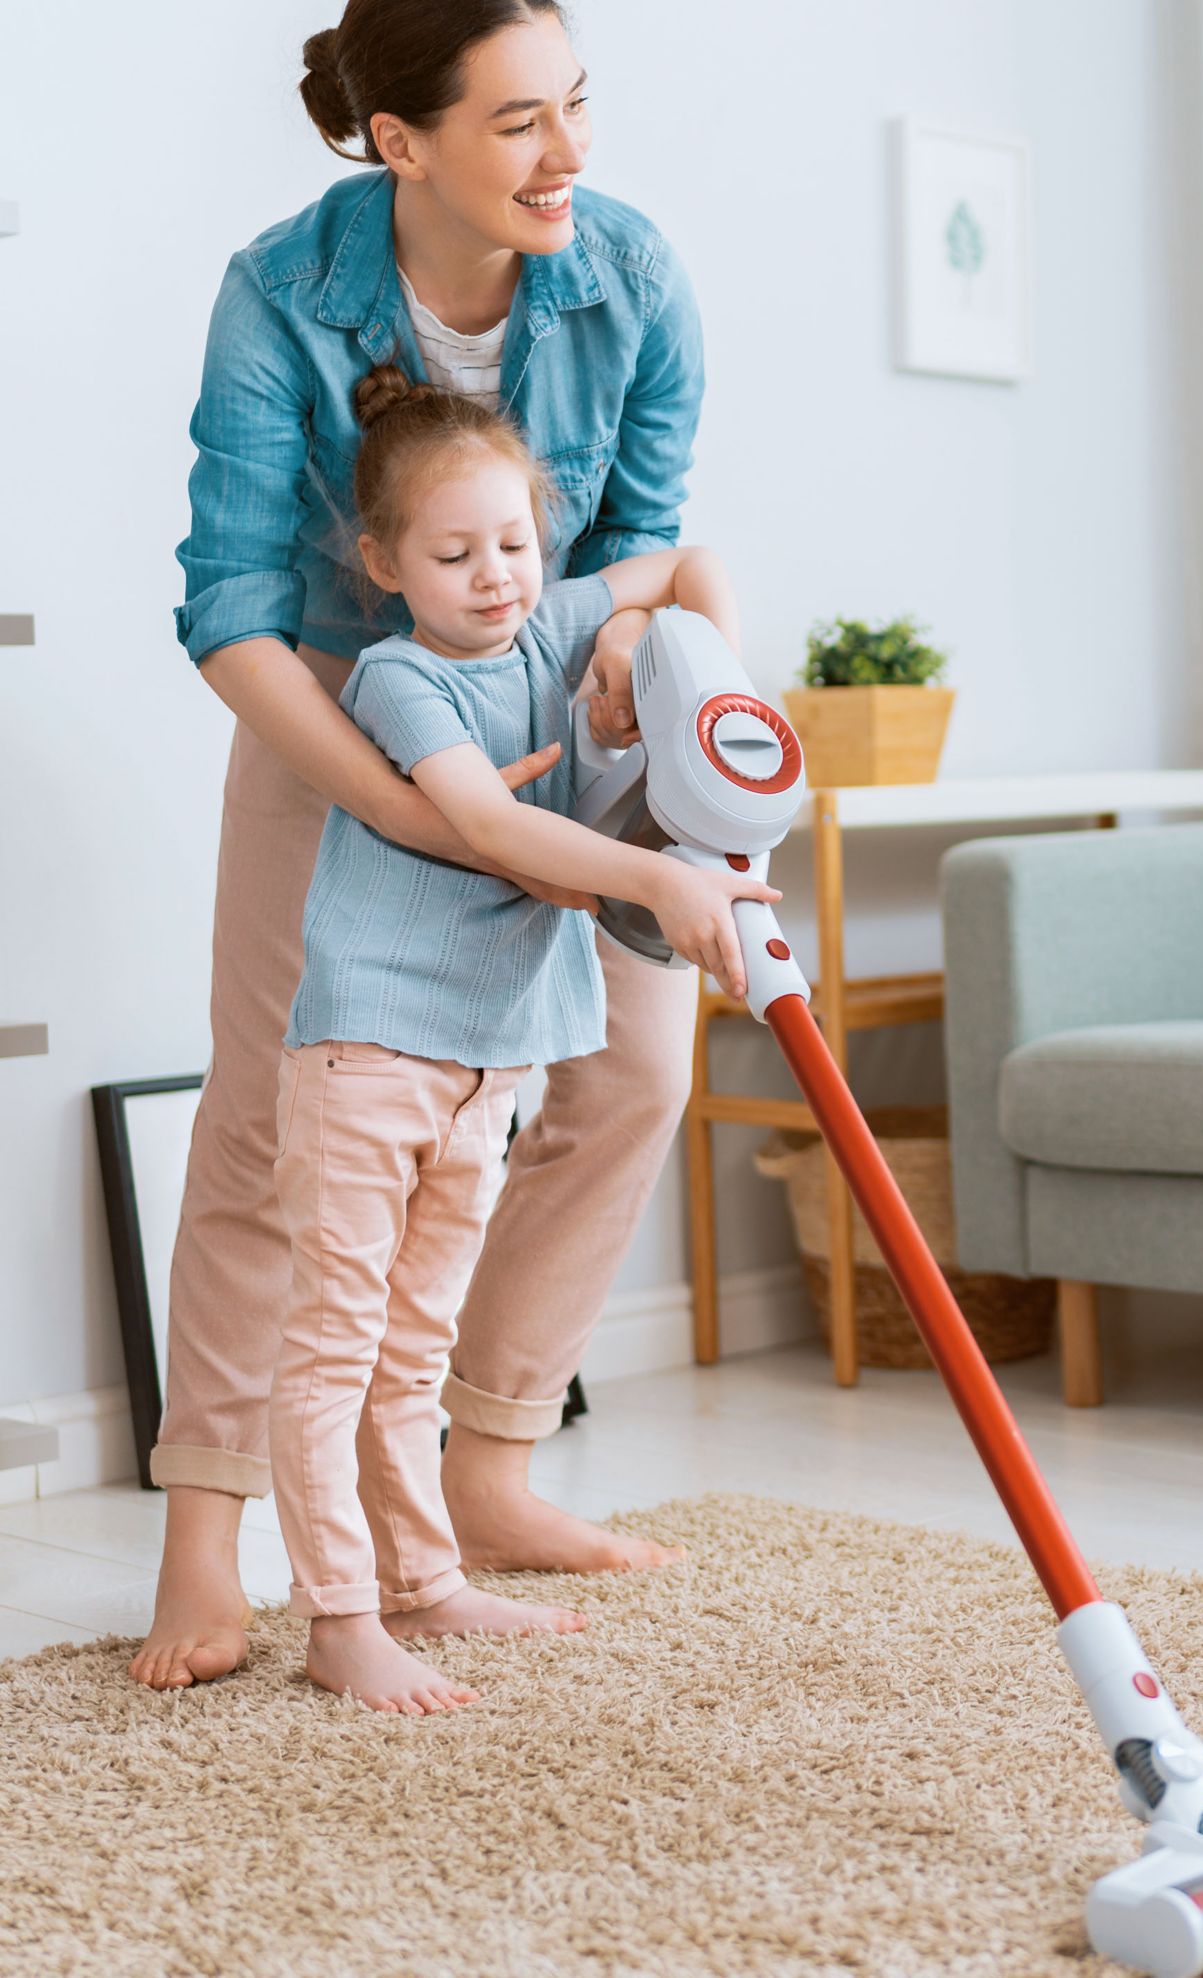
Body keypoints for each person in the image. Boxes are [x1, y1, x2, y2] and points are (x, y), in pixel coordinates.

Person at [136, 0, 711, 1691]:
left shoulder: (634, 276)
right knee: (270, 1116)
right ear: (405, 143)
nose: (571, 155)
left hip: (551, 690)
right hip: (334, 699)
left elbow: (649, 525)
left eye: (578, 106)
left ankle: (487, 1470)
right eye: (520, 122)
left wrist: (617, 653)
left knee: (631, 1070)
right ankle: (201, 1536)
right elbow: (229, 601)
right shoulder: (282, 293)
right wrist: (398, 799)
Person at [266, 361, 770, 1712]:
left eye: (516, 544)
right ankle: (338, 1613)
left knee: (417, 1342)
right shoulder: (396, 680)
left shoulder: (549, 632)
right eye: (454, 551)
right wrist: (661, 879)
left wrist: (638, 643)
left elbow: (697, 564)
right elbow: (488, 827)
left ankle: (424, 1580)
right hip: (373, 1052)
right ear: (383, 561)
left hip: (488, 1059)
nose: (495, 575)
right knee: (335, 1346)